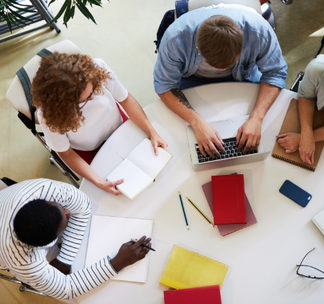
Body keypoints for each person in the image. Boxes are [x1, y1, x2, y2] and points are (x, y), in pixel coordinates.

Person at [153, 4, 287, 157]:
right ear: (198, 46)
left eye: (228, 65)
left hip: (243, 76)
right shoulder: (175, 40)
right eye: (214, 65)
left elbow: (275, 73)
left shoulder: (259, 32)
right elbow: (164, 86)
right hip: (192, 78)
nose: (222, 71)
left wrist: (257, 118)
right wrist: (197, 123)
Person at [32, 52, 168, 195]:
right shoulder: (48, 115)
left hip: (118, 125)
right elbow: (66, 154)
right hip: (87, 149)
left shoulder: (96, 67)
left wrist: (152, 132)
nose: (92, 99)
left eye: (94, 88)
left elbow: (125, 99)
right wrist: (99, 182)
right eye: (84, 100)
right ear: (65, 104)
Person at [0, 178, 151, 301]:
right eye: (64, 222)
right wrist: (118, 262)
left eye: (58, 206)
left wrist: (64, 261)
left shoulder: (42, 190)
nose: (67, 212)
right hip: (5, 255)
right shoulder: (23, 262)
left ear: (41, 201)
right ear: (48, 244)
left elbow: (82, 206)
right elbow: (67, 290)